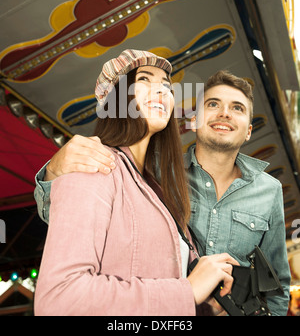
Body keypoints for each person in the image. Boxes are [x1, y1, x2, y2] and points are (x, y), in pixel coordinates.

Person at [35, 69, 291, 316]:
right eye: (213, 104)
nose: (225, 113)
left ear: (248, 130)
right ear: (193, 120)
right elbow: (72, 221)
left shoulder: (270, 190)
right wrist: (53, 173)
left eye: (238, 108)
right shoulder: (151, 171)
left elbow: (276, 284)